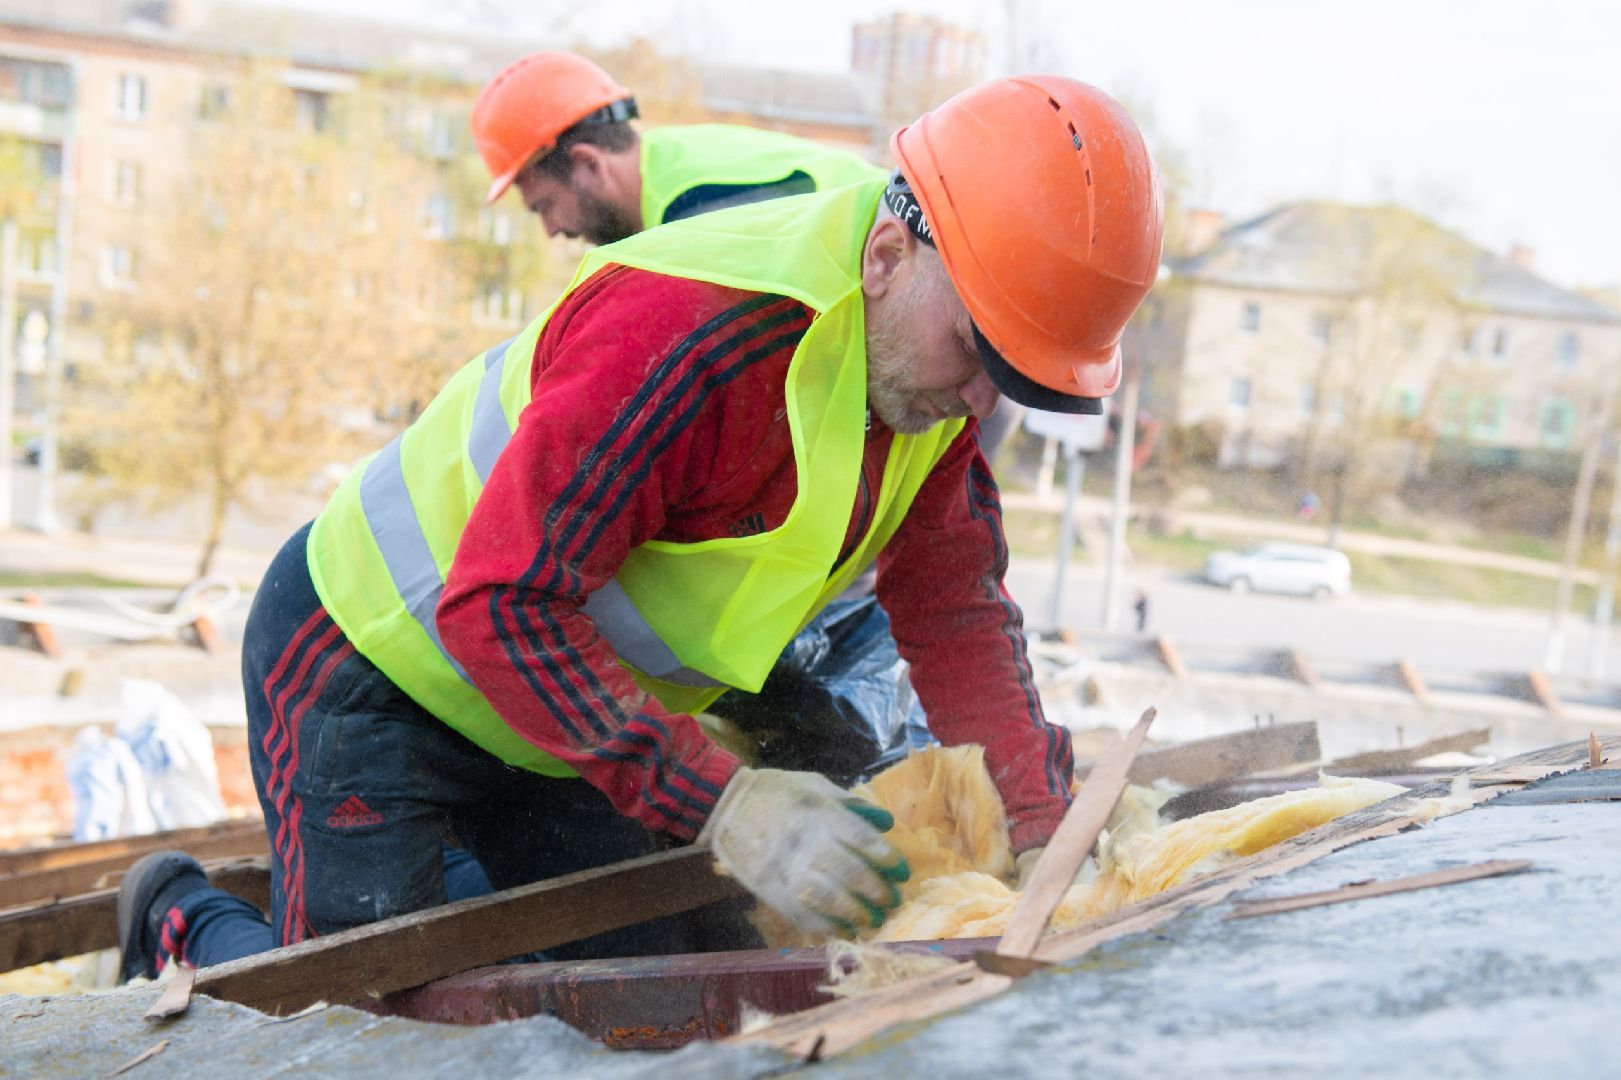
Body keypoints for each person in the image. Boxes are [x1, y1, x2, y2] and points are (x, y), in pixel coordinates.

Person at [116, 74, 1165, 980]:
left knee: (673, 965)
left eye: (1017, 379)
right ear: (888, 254)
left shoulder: (927, 375)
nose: (982, 399)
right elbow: (500, 600)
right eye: (978, 352)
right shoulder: (694, 329)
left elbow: (954, 607)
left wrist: (1036, 823)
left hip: (559, 704)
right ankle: (180, 914)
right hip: (375, 664)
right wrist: (726, 804)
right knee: (357, 1014)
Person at [473, 51, 885, 244]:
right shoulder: (674, 162)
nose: (551, 230)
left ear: (589, 165)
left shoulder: (696, 214)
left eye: (545, 206)